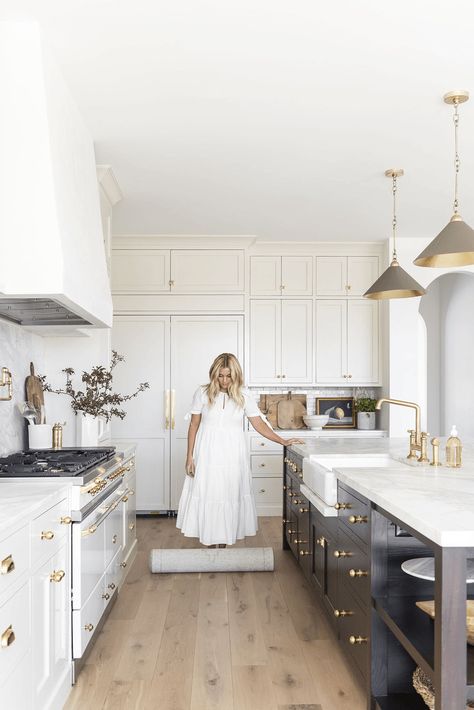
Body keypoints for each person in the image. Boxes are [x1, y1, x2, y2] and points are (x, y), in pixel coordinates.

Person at [176, 353, 304, 547]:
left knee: (229, 494)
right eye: (220, 376)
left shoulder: (244, 396)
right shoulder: (202, 393)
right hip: (208, 452)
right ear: (214, 374)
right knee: (210, 493)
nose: (225, 380)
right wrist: (189, 457)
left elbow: (259, 424)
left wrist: (282, 441)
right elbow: (194, 425)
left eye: (229, 376)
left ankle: (224, 542)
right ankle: (211, 540)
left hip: (233, 453)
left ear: (236, 376)